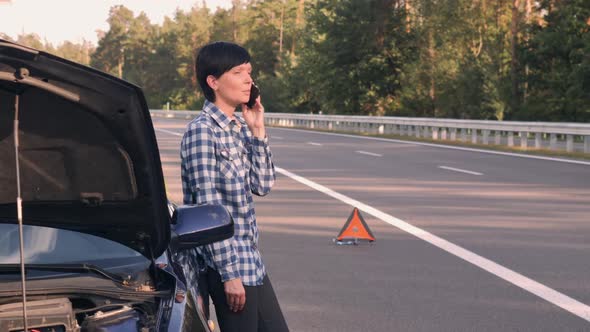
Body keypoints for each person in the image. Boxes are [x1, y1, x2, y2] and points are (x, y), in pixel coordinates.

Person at [179, 41, 289, 332]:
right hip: (224, 266)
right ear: (213, 81)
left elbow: (263, 185)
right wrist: (229, 275)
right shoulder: (202, 132)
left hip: (250, 261)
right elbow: (209, 208)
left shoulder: (238, 129)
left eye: (249, 72)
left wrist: (257, 130)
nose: (248, 80)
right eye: (238, 72)